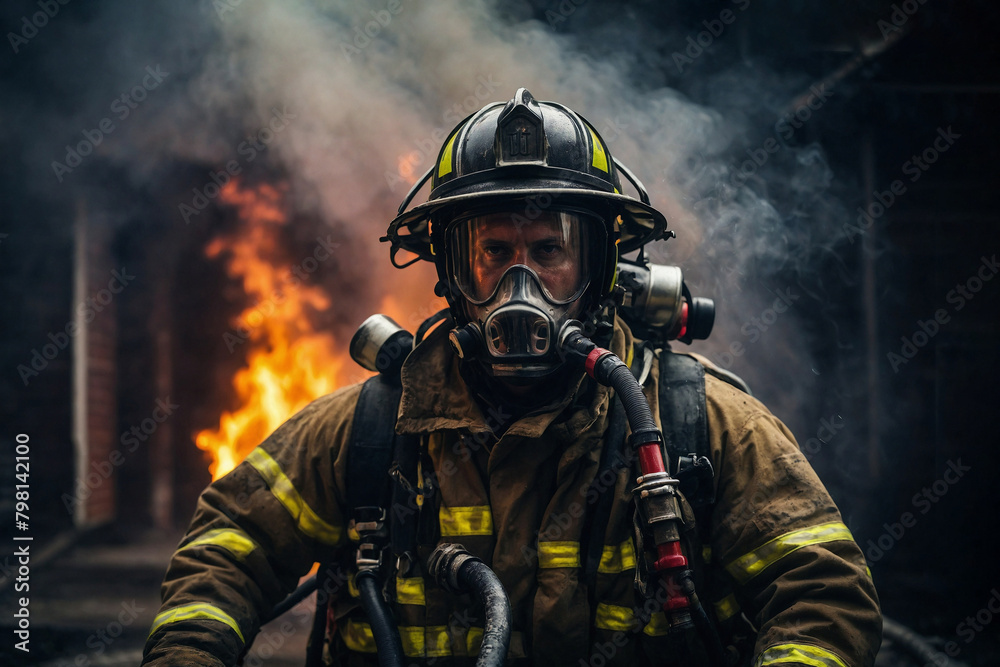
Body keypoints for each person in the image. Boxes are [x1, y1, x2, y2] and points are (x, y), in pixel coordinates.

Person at [141, 88, 881, 666]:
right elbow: (225, 549)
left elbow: (822, 593)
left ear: (601, 268)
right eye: (493, 250)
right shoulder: (371, 429)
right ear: (450, 269)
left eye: (549, 250)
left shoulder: (697, 424)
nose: (518, 283)